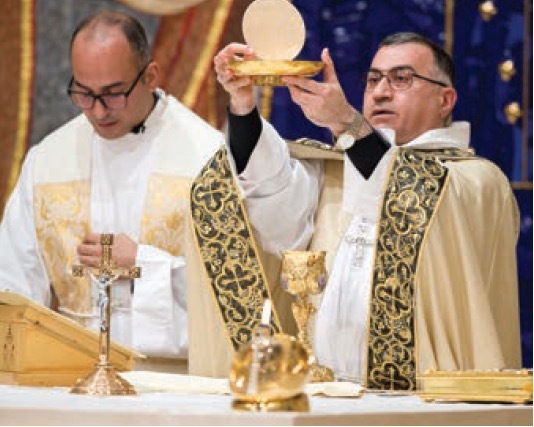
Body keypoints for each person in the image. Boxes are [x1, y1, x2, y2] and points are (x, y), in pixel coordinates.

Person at [213, 32, 522, 389]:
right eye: (373, 79)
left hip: (423, 396)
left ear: (445, 100)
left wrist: (347, 124)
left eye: (401, 79)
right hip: (328, 391)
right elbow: (273, 208)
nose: (380, 92)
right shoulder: (341, 169)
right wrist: (243, 105)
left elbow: (416, 200)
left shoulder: (477, 183)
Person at [0, 11, 225, 372]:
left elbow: (232, 287)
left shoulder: (207, 156)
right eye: (84, 94)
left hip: (175, 375)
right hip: (71, 372)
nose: (99, 111)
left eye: (113, 94)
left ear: (150, 76)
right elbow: (14, 280)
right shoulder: (48, 160)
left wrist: (142, 264)